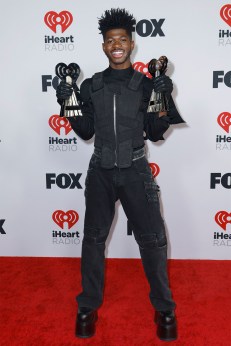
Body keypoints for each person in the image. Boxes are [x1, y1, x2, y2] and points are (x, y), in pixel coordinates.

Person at [56, 8, 184, 342]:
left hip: (136, 171)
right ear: (103, 46)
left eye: (122, 39)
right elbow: (85, 131)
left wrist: (163, 95)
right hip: (100, 171)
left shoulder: (144, 84)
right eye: (110, 40)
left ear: (131, 44)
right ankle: (87, 307)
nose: (117, 45)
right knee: (93, 240)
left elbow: (155, 132)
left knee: (153, 241)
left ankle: (165, 310)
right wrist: (69, 100)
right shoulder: (91, 85)